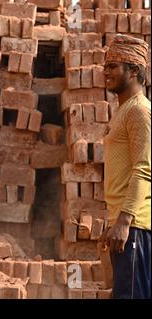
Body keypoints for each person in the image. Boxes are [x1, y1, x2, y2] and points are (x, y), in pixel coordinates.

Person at [100, 34, 151, 299]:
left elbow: (144, 168)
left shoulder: (139, 111)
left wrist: (124, 220)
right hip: (126, 225)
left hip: (136, 227)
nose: (105, 71)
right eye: (105, 65)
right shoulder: (123, 111)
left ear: (133, 71)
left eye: (113, 66)